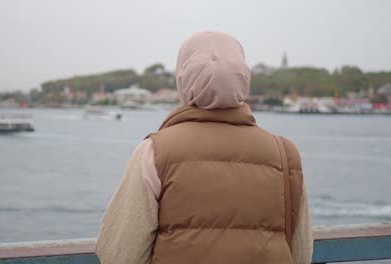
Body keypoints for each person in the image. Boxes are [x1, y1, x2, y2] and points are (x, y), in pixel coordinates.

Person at [96, 31, 313, 264]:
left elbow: (119, 254)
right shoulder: (286, 155)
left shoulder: (154, 152)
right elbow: (300, 254)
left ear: (183, 80)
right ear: (243, 78)